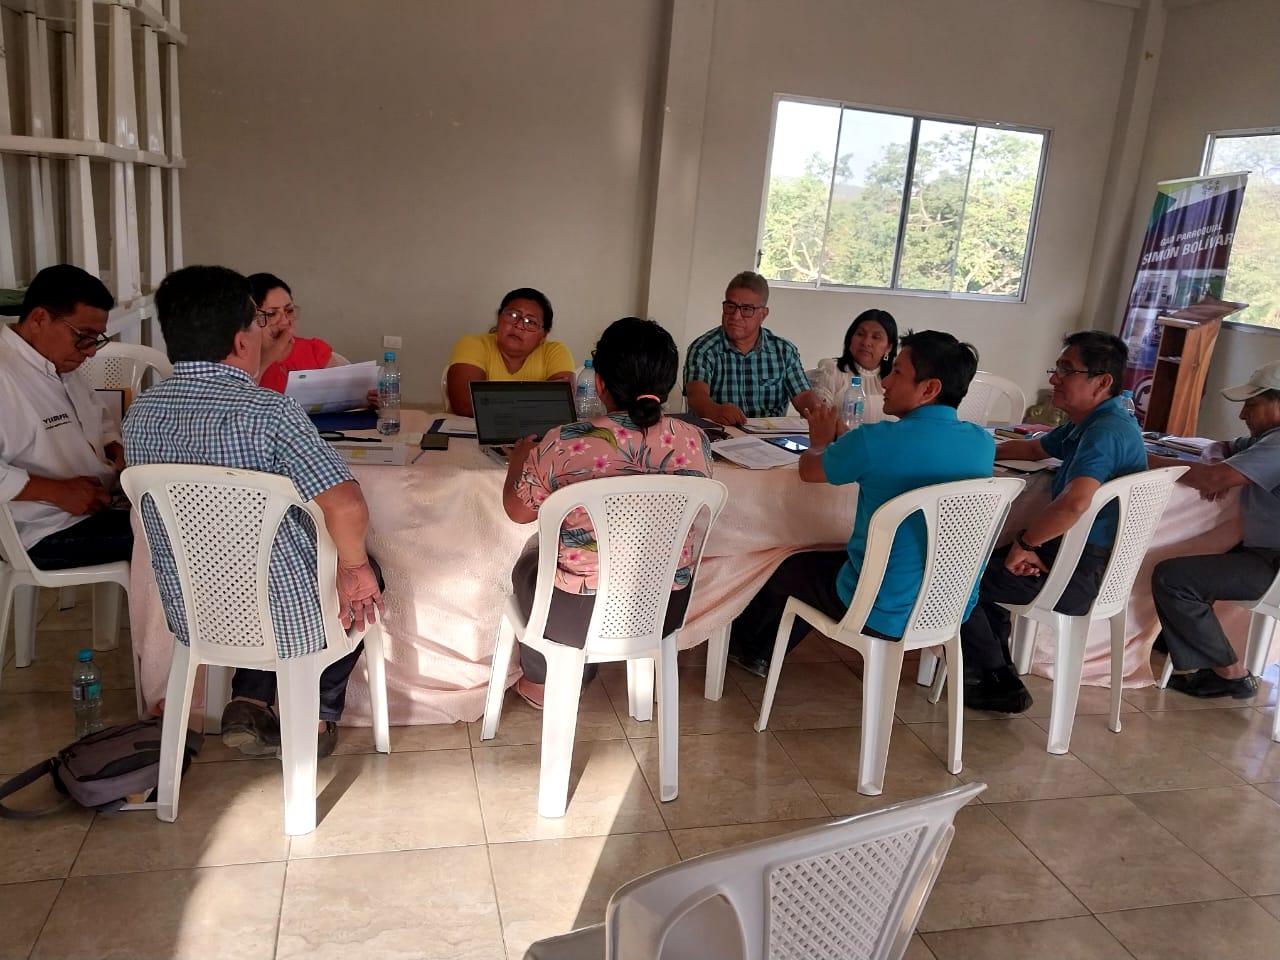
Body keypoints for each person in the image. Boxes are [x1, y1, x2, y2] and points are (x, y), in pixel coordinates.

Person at [123, 265, 385, 759]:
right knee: (365, 575)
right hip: (285, 614)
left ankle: (248, 700)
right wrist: (354, 567)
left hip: (193, 609)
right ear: (243, 340)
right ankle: (315, 719)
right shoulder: (271, 413)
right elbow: (346, 503)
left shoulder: (141, 415)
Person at [728, 330, 993, 676]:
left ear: (929, 389)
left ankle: (751, 651)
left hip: (879, 609)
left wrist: (819, 441)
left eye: (897, 373)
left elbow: (809, 471)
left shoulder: (876, 440)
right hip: (947, 606)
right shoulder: (982, 443)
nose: (885, 382)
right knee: (832, 563)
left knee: (789, 563)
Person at [501, 317, 713, 708]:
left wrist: (518, 461)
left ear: (598, 382)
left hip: (574, 617)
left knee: (529, 561)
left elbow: (517, 512)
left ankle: (544, 681)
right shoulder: (695, 440)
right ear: (669, 383)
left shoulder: (563, 443)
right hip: (664, 611)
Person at [961, 331, 1147, 713]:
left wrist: (1026, 544)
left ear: (1102, 382)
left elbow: (1075, 503)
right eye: (1057, 368)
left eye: (1066, 370)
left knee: (955, 577)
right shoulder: (1092, 421)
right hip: (1072, 556)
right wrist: (976, 449)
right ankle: (995, 672)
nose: (1054, 378)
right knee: (978, 563)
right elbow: (1034, 447)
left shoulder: (1105, 432)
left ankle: (996, 680)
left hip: (1079, 571)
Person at [1146, 361, 1280, 699]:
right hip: (1262, 551)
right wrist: (1216, 462)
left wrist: (1143, 458)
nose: (1243, 414)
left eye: (1252, 405)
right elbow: (1220, 448)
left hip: (1273, 562)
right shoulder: (1267, 439)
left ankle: (1232, 675)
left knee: (1173, 578)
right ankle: (1179, 643)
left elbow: (1213, 479)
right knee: (1192, 555)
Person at [0, 264, 134, 569]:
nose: (91, 351)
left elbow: (99, 418)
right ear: (39, 319)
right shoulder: (5, 373)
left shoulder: (57, 363)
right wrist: (57, 492)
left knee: (184, 517)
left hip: (97, 504)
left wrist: (116, 450)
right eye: (83, 336)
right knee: (179, 538)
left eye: (97, 339)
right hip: (41, 530)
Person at [684, 271, 815, 425]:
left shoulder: (784, 352)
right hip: (718, 432)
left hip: (769, 435)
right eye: (730, 306)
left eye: (746, 309)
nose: (735, 316)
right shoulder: (703, 349)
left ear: (763, 314)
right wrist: (713, 411)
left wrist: (821, 413)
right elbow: (696, 394)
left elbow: (803, 396)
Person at [446, 287, 575, 416]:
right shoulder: (473, 344)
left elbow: (561, 405)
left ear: (544, 334)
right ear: (498, 318)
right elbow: (465, 405)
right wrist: (537, 401)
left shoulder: (554, 352)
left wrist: (491, 401)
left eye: (530, 322)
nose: (518, 325)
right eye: (513, 315)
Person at [251, 273, 348, 393]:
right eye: (272, 314)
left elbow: (342, 395)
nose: (285, 321)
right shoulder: (240, 358)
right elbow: (240, 400)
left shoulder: (314, 350)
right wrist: (267, 361)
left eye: (289, 310)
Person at [835, 308, 898, 395]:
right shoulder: (831, 371)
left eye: (876, 337)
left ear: (889, 348)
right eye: (860, 334)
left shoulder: (895, 381)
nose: (866, 342)